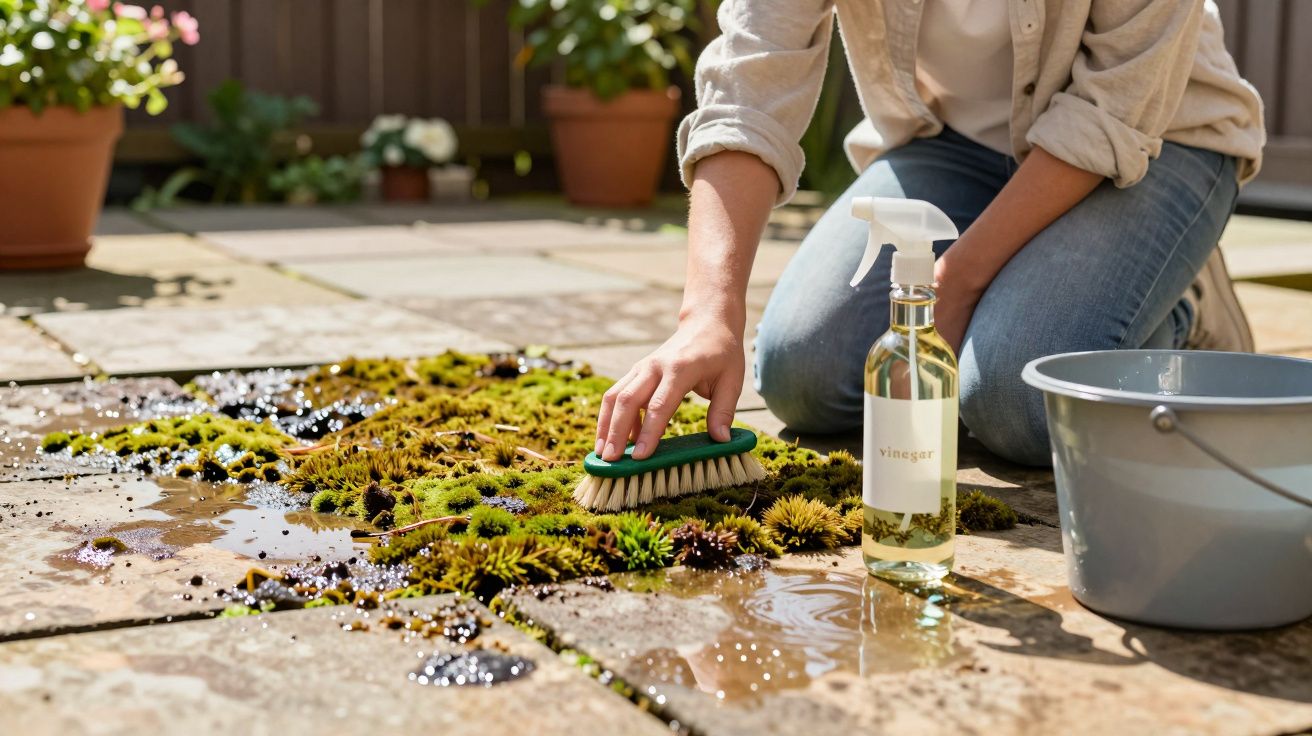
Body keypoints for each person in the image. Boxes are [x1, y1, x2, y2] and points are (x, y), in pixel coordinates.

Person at [592, 0, 1264, 467]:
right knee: (801, 371)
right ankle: (1062, 287)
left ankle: (1180, 299)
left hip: (1155, 142)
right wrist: (708, 313)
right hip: (954, 147)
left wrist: (960, 278)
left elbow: (1113, 111)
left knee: (1015, 403)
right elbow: (747, 83)